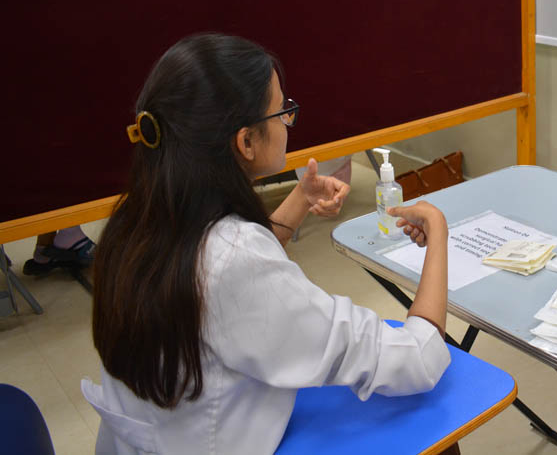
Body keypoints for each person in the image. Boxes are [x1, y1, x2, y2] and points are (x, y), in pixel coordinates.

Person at [82, 33, 451, 454]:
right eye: (281, 111)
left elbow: (219, 285)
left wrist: (301, 198)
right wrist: (438, 231)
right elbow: (415, 359)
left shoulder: (134, 220)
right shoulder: (235, 260)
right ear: (246, 142)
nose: (288, 120)